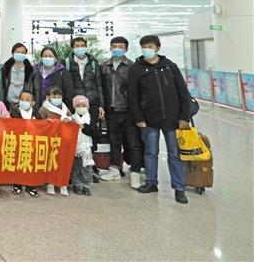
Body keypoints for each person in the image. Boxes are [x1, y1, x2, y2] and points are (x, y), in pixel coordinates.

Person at [127, 35, 191, 204]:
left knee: (174, 154)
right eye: (144, 46)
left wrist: (184, 116)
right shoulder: (136, 69)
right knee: (150, 152)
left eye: (150, 46)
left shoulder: (170, 66)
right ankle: (151, 182)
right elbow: (132, 97)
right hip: (149, 119)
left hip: (172, 119)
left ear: (157, 47)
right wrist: (138, 117)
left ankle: (179, 188)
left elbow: (183, 92)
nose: (147, 49)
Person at [100, 36, 142, 188]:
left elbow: (138, 90)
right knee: (114, 141)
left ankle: (135, 172)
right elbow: (101, 88)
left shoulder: (132, 66)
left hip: (129, 110)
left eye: (120, 47)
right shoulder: (104, 66)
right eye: (114, 46)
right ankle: (114, 170)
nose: (117, 49)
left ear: (126, 49)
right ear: (110, 48)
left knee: (133, 143)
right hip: (111, 110)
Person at [38, 86, 72, 196]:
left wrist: (68, 120)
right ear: (48, 97)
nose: (57, 98)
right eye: (54, 96)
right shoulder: (44, 108)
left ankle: (63, 184)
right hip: (50, 140)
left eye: (59, 96)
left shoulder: (65, 108)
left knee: (62, 161)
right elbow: (38, 122)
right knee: (50, 161)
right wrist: (46, 122)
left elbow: (71, 118)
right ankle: (50, 183)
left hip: (63, 139)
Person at [9, 90, 40, 197]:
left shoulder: (35, 112)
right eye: (22, 99)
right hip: (18, 141)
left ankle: (30, 185)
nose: (24, 101)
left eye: (27, 100)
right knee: (18, 163)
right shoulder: (14, 111)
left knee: (31, 164)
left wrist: (48, 122)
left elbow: (42, 123)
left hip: (31, 142)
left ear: (32, 103)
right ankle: (17, 184)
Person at [65, 37, 105, 119]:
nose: (80, 48)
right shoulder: (67, 63)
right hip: (74, 103)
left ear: (86, 47)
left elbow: (99, 85)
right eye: (77, 46)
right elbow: (64, 86)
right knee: (75, 126)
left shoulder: (93, 62)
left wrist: (101, 105)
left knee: (92, 125)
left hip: (92, 102)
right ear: (72, 48)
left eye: (82, 45)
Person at [71, 95, 98, 196]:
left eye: (83, 105)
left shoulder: (91, 119)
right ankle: (76, 184)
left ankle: (86, 185)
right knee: (76, 167)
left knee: (86, 167)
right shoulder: (72, 118)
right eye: (78, 105)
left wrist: (84, 127)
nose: (81, 107)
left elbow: (96, 133)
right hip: (75, 148)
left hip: (87, 149)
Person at [1, 42, 34, 109]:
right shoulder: (6, 68)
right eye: (18, 52)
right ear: (13, 54)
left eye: (23, 52)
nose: (20, 54)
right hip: (8, 102)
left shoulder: (30, 70)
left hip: (23, 103)